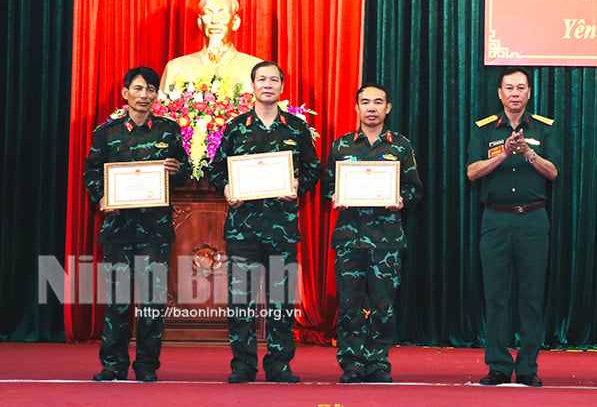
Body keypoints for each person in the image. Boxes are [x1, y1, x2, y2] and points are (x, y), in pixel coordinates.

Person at [209, 60, 320, 384]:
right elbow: (217, 169)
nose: (267, 84)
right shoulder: (235, 126)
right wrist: (227, 188)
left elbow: (313, 168)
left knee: (281, 299)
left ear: (281, 87)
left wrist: (299, 185)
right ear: (253, 86)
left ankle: (279, 364)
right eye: (262, 79)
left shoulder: (296, 128)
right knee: (240, 299)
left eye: (274, 79)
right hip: (243, 227)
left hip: (281, 227)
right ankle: (242, 365)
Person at [83, 66, 190, 382]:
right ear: (125, 93)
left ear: (157, 95)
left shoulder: (168, 131)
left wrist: (176, 170)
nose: (145, 95)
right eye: (139, 88)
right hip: (118, 229)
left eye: (151, 90)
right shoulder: (107, 133)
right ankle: (113, 364)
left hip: (155, 230)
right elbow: (91, 173)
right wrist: (102, 198)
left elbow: (184, 172)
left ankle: (146, 365)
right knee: (117, 301)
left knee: (153, 302)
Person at [466, 67, 561, 387]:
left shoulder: (546, 128)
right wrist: (504, 153)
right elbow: (472, 172)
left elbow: (553, 173)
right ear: (500, 93)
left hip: (533, 220)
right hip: (495, 219)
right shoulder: (484, 129)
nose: (515, 93)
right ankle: (498, 365)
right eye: (509, 88)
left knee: (532, 296)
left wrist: (529, 153)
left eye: (521, 87)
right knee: (495, 295)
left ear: (529, 93)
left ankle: (528, 366)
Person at [322, 83, 423, 384]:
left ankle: (378, 362)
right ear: (356, 108)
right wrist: (335, 197)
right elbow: (328, 186)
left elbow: (415, 188)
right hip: (349, 240)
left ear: (387, 108)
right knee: (350, 304)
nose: (371, 108)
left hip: (386, 241)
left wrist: (401, 199)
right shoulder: (341, 146)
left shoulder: (400, 146)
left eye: (378, 102)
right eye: (365, 102)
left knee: (383, 305)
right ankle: (352, 364)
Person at [160, 0, 263, 93]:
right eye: (208, 14)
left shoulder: (256, 69)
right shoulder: (176, 68)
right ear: (200, 22)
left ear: (235, 22)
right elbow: (163, 107)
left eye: (222, 15)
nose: (214, 21)